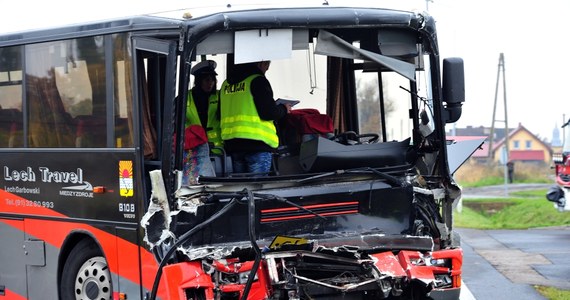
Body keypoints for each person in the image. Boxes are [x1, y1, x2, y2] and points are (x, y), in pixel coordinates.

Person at [219, 60, 292, 175]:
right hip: (257, 145)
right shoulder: (257, 80)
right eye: (266, 65)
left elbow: (220, 113)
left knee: (239, 189)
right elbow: (268, 113)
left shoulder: (225, 85)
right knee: (257, 188)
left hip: (233, 146)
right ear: (260, 63)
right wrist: (283, 109)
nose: (266, 70)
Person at [182, 60, 221, 184]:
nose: (210, 83)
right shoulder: (184, 98)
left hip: (218, 150)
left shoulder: (219, 97)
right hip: (193, 151)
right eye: (206, 80)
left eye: (212, 79)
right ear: (198, 80)